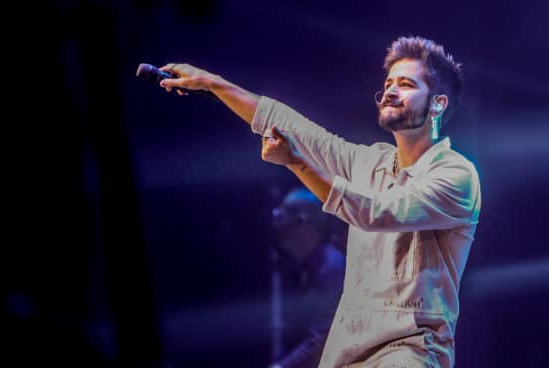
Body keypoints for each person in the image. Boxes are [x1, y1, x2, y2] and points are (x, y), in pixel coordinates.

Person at [156, 36, 481, 367]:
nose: (391, 92)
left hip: (409, 350)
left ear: (438, 104)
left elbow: (377, 212)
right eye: (388, 84)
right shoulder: (369, 162)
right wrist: (214, 84)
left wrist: (295, 162)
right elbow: (289, 125)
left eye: (407, 84)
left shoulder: (457, 174)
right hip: (346, 349)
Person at [269, 187, 346, 368]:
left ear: (300, 221)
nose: (274, 221)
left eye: (280, 214)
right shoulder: (304, 269)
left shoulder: (331, 269)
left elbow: (322, 341)